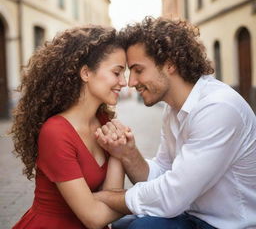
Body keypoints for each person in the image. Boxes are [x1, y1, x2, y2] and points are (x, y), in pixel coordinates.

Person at [94, 17, 256, 229]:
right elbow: (162, 173)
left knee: (138, 227)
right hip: (191, 214)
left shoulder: (218, 107)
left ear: (170, 64)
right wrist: (127, 153)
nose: (131, 83)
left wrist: (101, 198)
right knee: (122, 223)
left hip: (228, 224)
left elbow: (171, 196)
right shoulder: (173, 110)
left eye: (138, 70)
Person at [10, 25, 128, 229]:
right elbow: (94, 218)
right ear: (85, 73)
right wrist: (145, 200)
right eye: (117, 72)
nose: (124, 82)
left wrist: (119, 150)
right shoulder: (55, 132)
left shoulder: (102, 121)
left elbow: (111, 196)